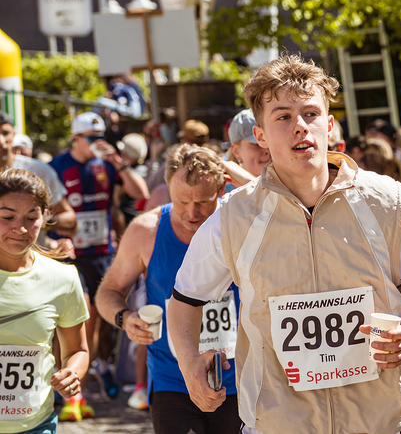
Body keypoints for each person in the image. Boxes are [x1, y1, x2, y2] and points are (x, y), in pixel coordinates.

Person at [167, 54, 401, 434]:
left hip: (376, 422)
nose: (300, 126)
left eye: (311, 114)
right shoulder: (233, 216)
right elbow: (185, 299)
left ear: (329, 126)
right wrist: (189, 362)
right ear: (261, 136)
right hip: (276, 425)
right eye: (283, 117)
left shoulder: (385, 199)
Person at [96, 144, 241, 434]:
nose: (192, 212)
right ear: (168, 188)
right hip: (172, 380)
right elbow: (108, 291)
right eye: (181, 201)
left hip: (239, 378)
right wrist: (125, 317)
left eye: (203, 202)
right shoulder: (146, 231)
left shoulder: (240, 223)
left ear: (221, 188)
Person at [48, 112, 149, 418]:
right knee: (81, 316)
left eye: (100, 137)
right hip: (70, 253)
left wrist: (119, 162)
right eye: (90, 138)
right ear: (76, 139)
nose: (96, 143)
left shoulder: (107, 164)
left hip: (102, 251)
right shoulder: (57, 167)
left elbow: (141, 194)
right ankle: (69, 385)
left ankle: (100, 366)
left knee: (104, 318)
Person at [0, 169, 90, 434]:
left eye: (31, 218)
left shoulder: (62, 277)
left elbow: (77, 350)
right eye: (7, 217)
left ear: (45, 217)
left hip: (36, 425)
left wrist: (72, 373)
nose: (20, 228)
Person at [0, 112, 76, 237]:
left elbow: (70, 219)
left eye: (5, 133)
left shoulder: (37, 170)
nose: (1, 141)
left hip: (29, 249)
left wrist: (40, 221)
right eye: (8, 217)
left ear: (13, 135)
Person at [228, 109, 271, 177]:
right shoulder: (223, 183)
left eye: (270, 142)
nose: (267, 151)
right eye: (257, 144)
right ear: (236, 151)